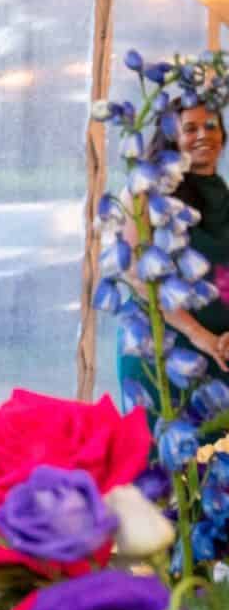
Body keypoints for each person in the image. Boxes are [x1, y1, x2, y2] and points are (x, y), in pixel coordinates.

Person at [118, 100, 229, 414]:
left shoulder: (225, 197)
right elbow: (137, 275)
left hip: (223, 353)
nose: (203, 135)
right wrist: (198, 334)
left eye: (211, 126)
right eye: (190, 128)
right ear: (170, 137)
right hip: (160, 349)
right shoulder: (143, 194)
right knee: (169, 456)